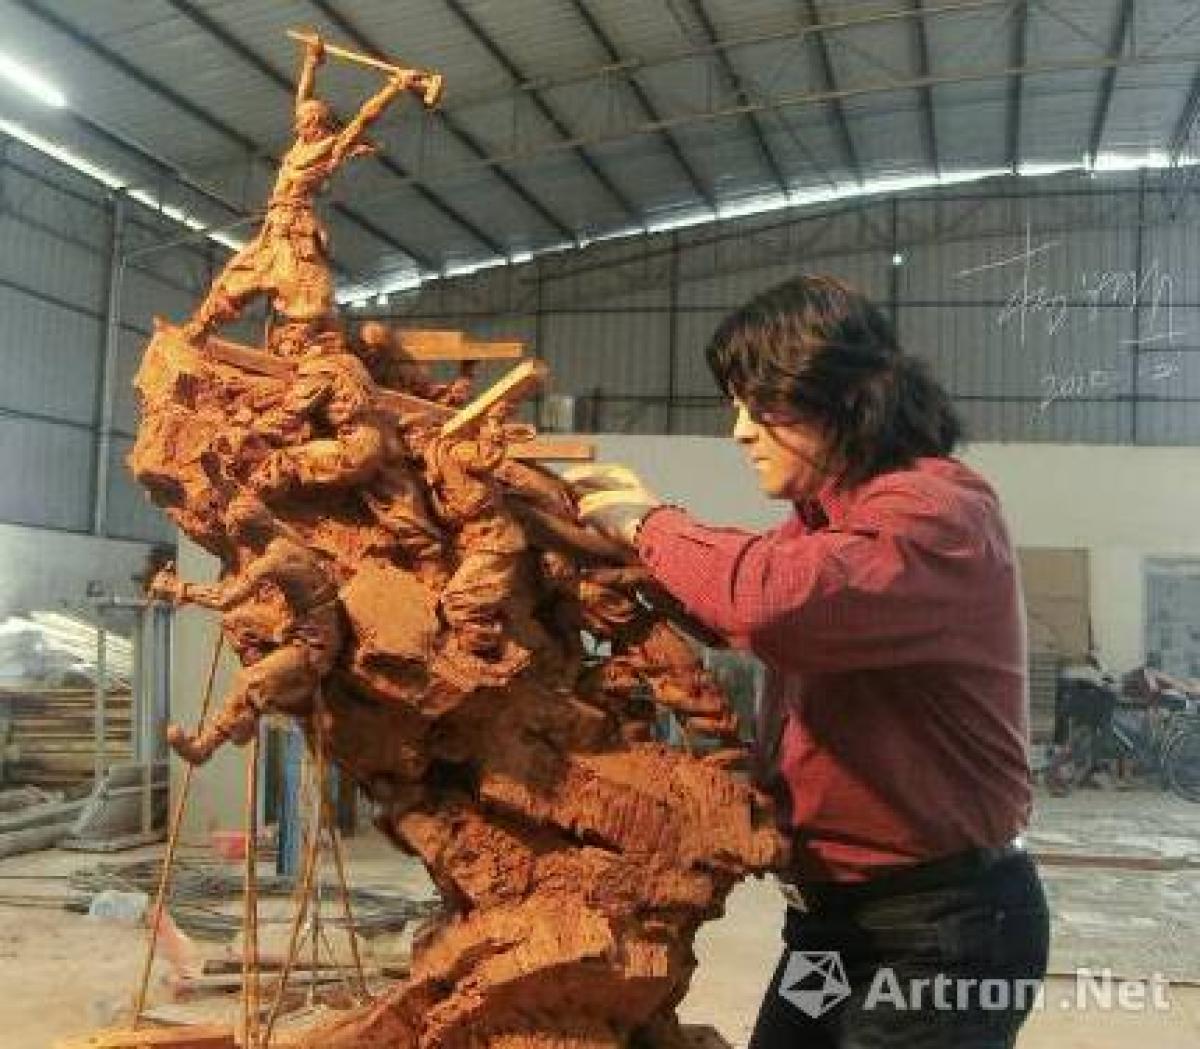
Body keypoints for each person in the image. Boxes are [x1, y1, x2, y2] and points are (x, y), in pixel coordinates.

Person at [568, 275, 1049, 1048]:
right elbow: (735, 610)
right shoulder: (823, 522)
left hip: (938, 932)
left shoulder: (935, 511)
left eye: (762, 406)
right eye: (736, 406)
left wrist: (648, 525)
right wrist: (610, 553)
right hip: (832, 925)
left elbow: (769, 603)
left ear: (844, 398)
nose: (740, 432)